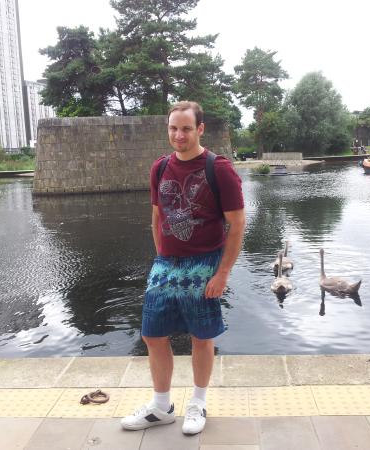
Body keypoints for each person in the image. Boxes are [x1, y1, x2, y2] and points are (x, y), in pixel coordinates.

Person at [121, 101, 245, 435]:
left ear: (200, 129)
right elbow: (157, 217)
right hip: (166, 264)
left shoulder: (219, 169)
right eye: (174, 128)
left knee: (201, 336)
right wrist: (162, 256)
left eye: (186, 128)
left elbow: (237, 224)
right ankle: (161, 407)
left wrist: (222, 273)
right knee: (152, 334)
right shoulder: (160, 167)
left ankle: (198, 403)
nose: (179, 135)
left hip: (204, 262)